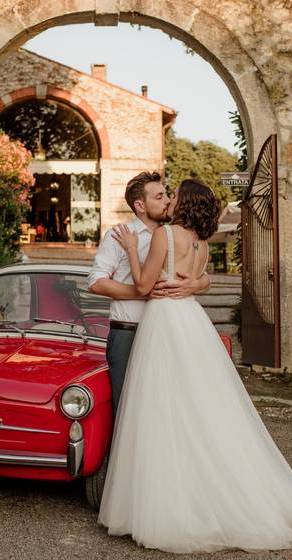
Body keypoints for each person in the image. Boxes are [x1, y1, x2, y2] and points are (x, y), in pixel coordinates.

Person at [98, 179, 292, 555]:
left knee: (162, 410)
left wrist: (134, 251)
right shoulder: (200, 244)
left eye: (174, 196)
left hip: (165, 324)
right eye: (162, 195)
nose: (168, 200)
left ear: (183, 204)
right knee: (201, 409)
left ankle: (173, 500)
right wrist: (197, 283)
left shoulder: (166, 235)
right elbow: (195, 279)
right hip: (192, 323)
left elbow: (143, 284)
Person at [87, 172, 211, 412]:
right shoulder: (119, 235)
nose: (166, 200)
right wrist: (144, 293)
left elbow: (202, 275)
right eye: (159, 196)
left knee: (167, 407)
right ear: (140, 205)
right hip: (129, 333)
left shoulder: (177, 234)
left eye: (167, 195)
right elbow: (96, 282)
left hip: (169, 333)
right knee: (126, 408)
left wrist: (196, 284)